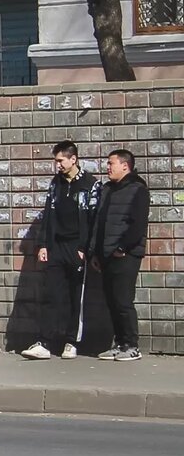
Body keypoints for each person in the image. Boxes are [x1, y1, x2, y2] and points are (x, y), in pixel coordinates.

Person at [22, 141, 99, 360]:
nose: (57, 165)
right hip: (56, 246)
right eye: (56, 161)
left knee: (76, 296)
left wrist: (86, 248)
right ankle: (45, 342)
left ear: (73, 159)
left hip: (77, 248)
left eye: (60, 160)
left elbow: (94, 220)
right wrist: (43, 244)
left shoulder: (90, 184)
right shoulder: (56, 184)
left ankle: (70, 341)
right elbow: (49, 214)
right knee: (52, 294)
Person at [90, 149, 151, 361]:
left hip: (126, 255)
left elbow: (138, 224)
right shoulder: (108, 189)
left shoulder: (138, 189)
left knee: (124, 301)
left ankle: (132, 346)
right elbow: (99, 222)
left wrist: (123, 248)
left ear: (125, 165)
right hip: (106, 254)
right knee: (112, 301)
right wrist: (94, 252)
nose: (107, 167)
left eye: (111, 163)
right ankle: (120, 343)